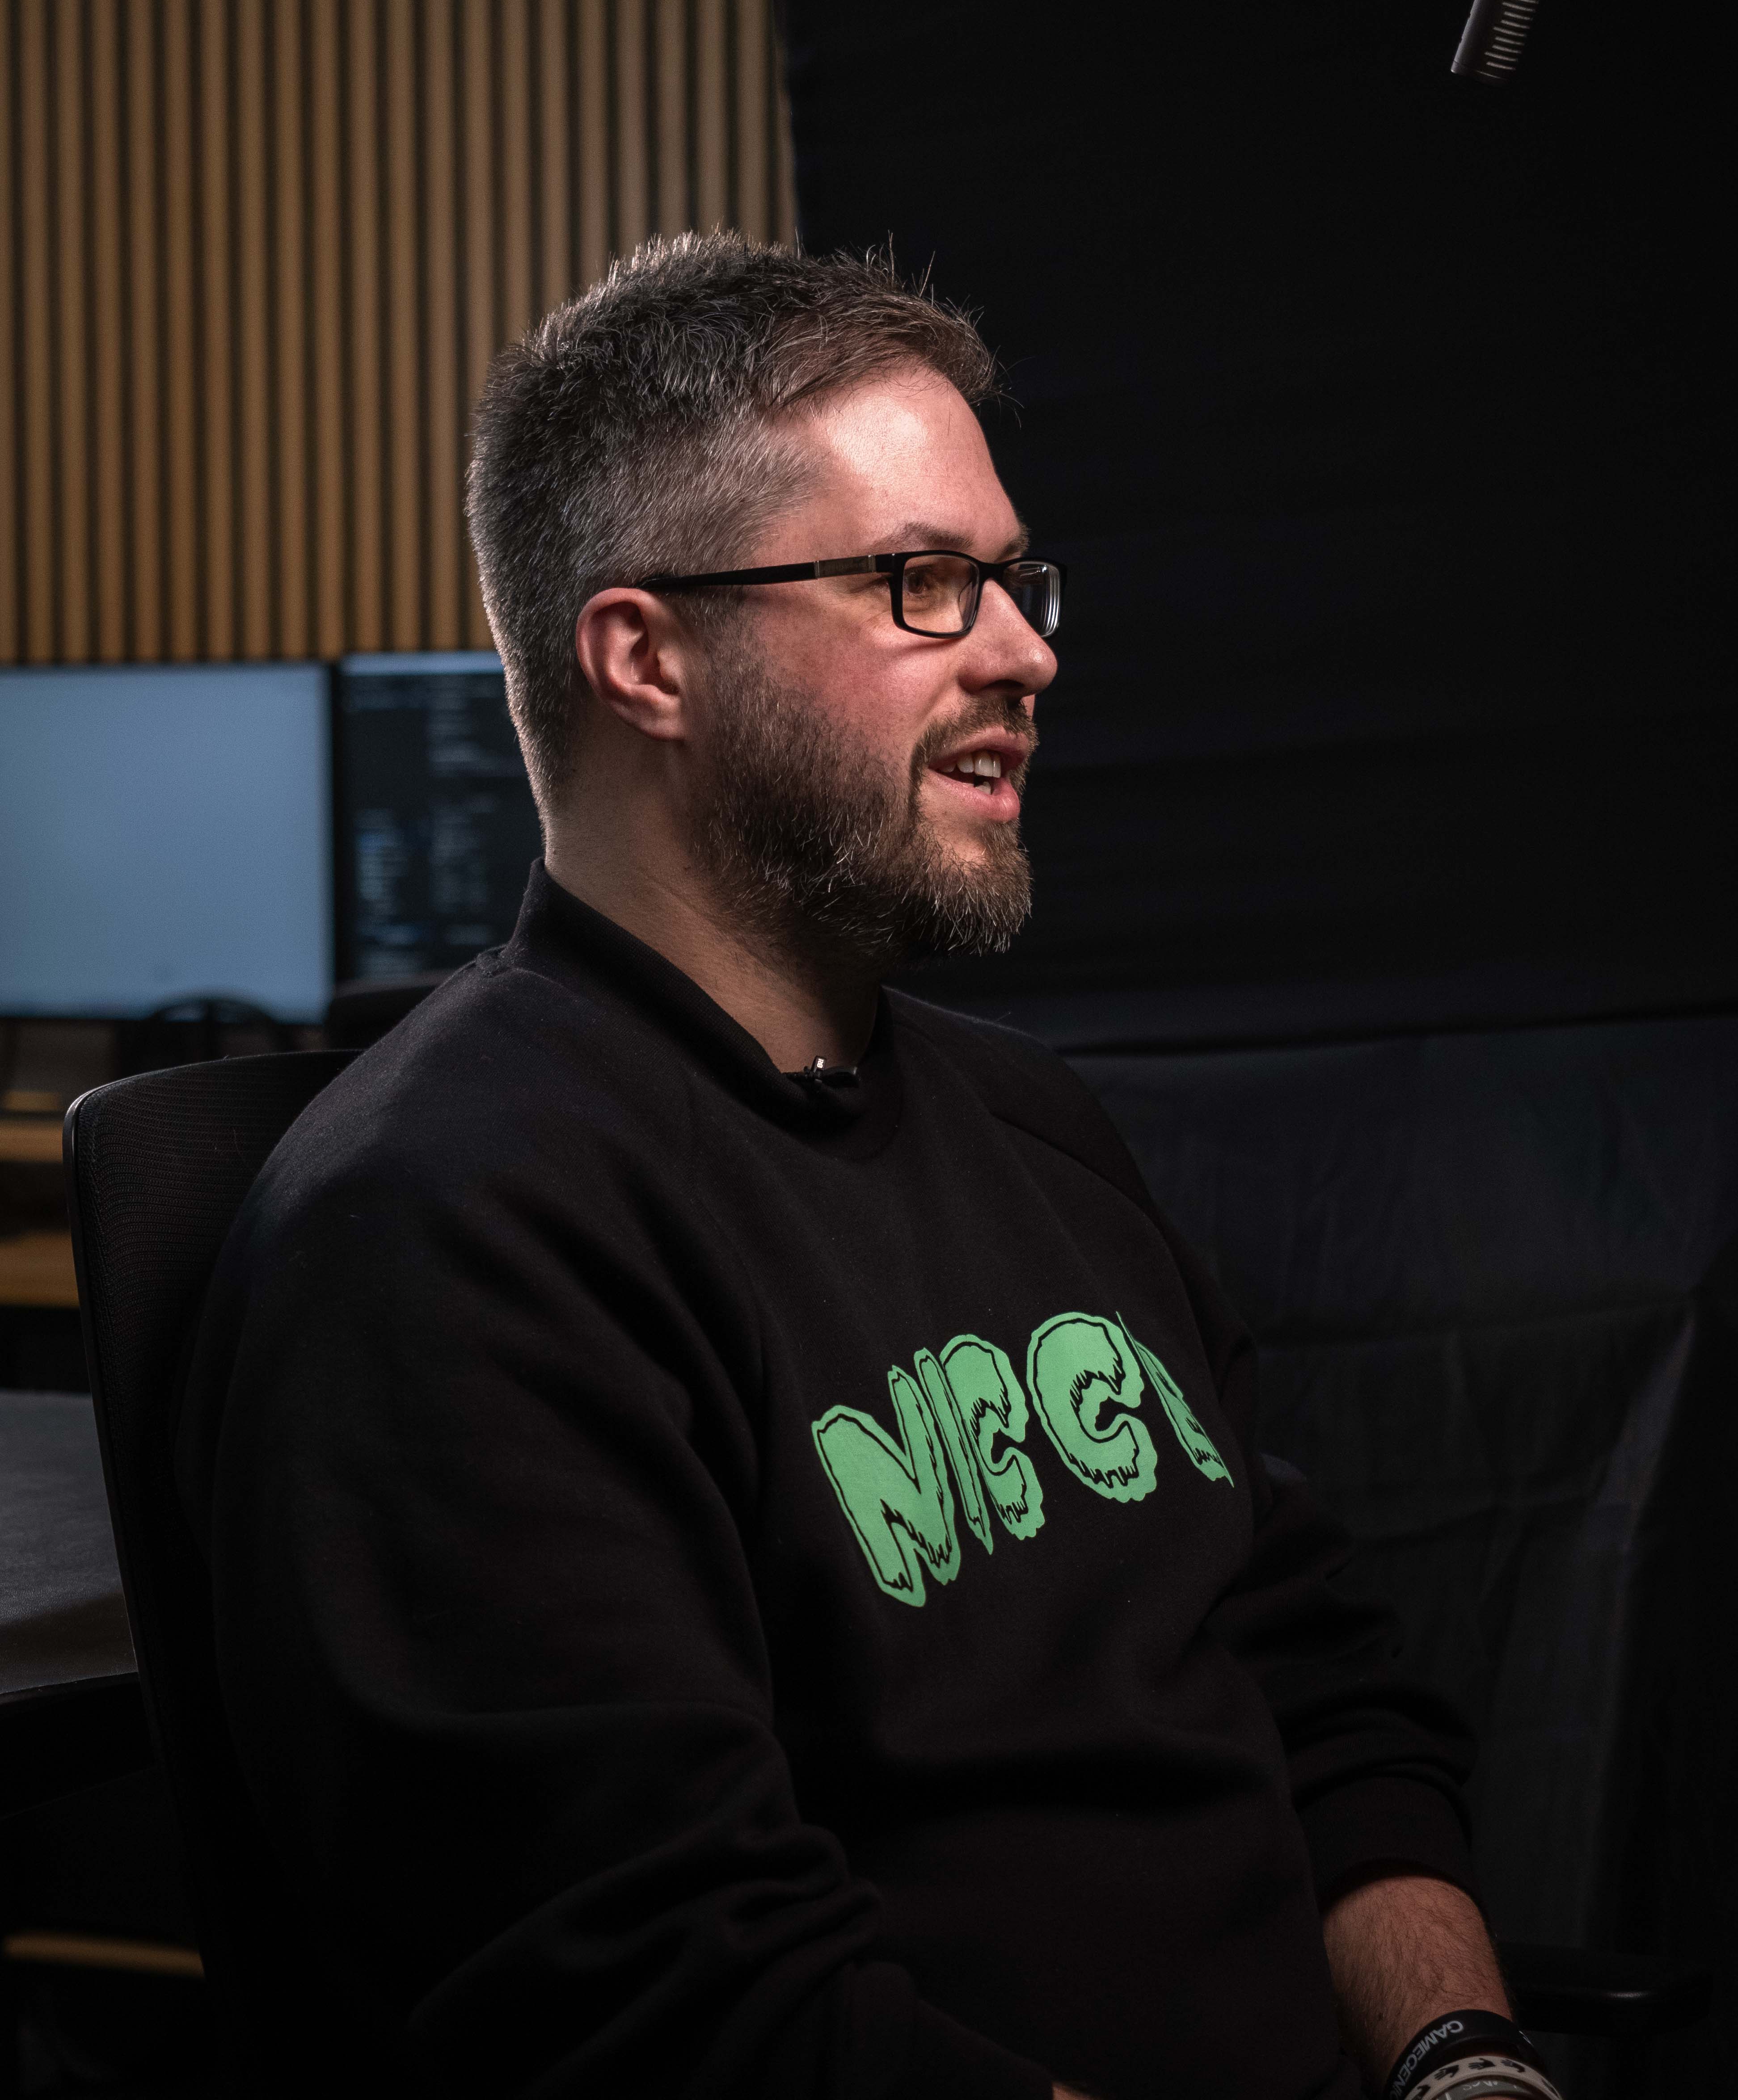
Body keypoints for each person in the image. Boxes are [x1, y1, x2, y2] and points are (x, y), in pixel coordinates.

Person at [177, 236, 1559, 2100]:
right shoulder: (445, 1233)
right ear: (646, 657)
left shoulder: (1037, 1133)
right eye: (925, 586)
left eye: (1012, 581)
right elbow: (686, 2013)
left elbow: (1317, 1694)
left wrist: (1461, 2061)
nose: (1027, 651)